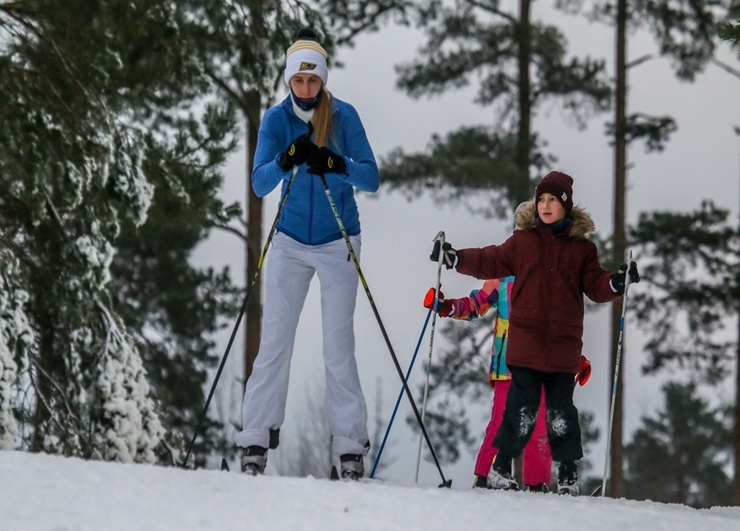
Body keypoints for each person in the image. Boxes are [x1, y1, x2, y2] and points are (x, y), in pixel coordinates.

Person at [429, 171, 640, 495]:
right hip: (516, 354)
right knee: (514, 413)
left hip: (558, 350)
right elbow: (483, 279)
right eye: (540, 200)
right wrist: (453, 274)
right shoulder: (513, 260)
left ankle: (553, 479)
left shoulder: (579, 251)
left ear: (565, 206)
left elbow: (585, 293)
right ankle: (491, 473)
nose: (544, 206)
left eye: (552, 200)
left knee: (553, 418)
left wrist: (615, 283)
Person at [236, 28, 379, 480]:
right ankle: (256, 437)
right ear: (288, 81)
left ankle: (349, 445)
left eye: (312, 81)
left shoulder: (344, 117)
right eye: (298, 81)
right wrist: (285, 160)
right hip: (291, 241)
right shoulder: (277, 121)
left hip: (339, 239)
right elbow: (259, 184)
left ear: (322, 80)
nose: (305, 89)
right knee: (275, 340)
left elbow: (371, 178)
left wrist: (337, 164)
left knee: (338, 345)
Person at [424, 276, 554, 492]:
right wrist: (447, 307)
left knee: (538, 424)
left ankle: (537, 483)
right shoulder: (504, 279)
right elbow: (476, 304)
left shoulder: (550, 279)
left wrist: (573, 360)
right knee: (502, 421)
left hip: (539, 366)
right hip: (508, 365)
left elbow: (561, 327)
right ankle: (485, 477)